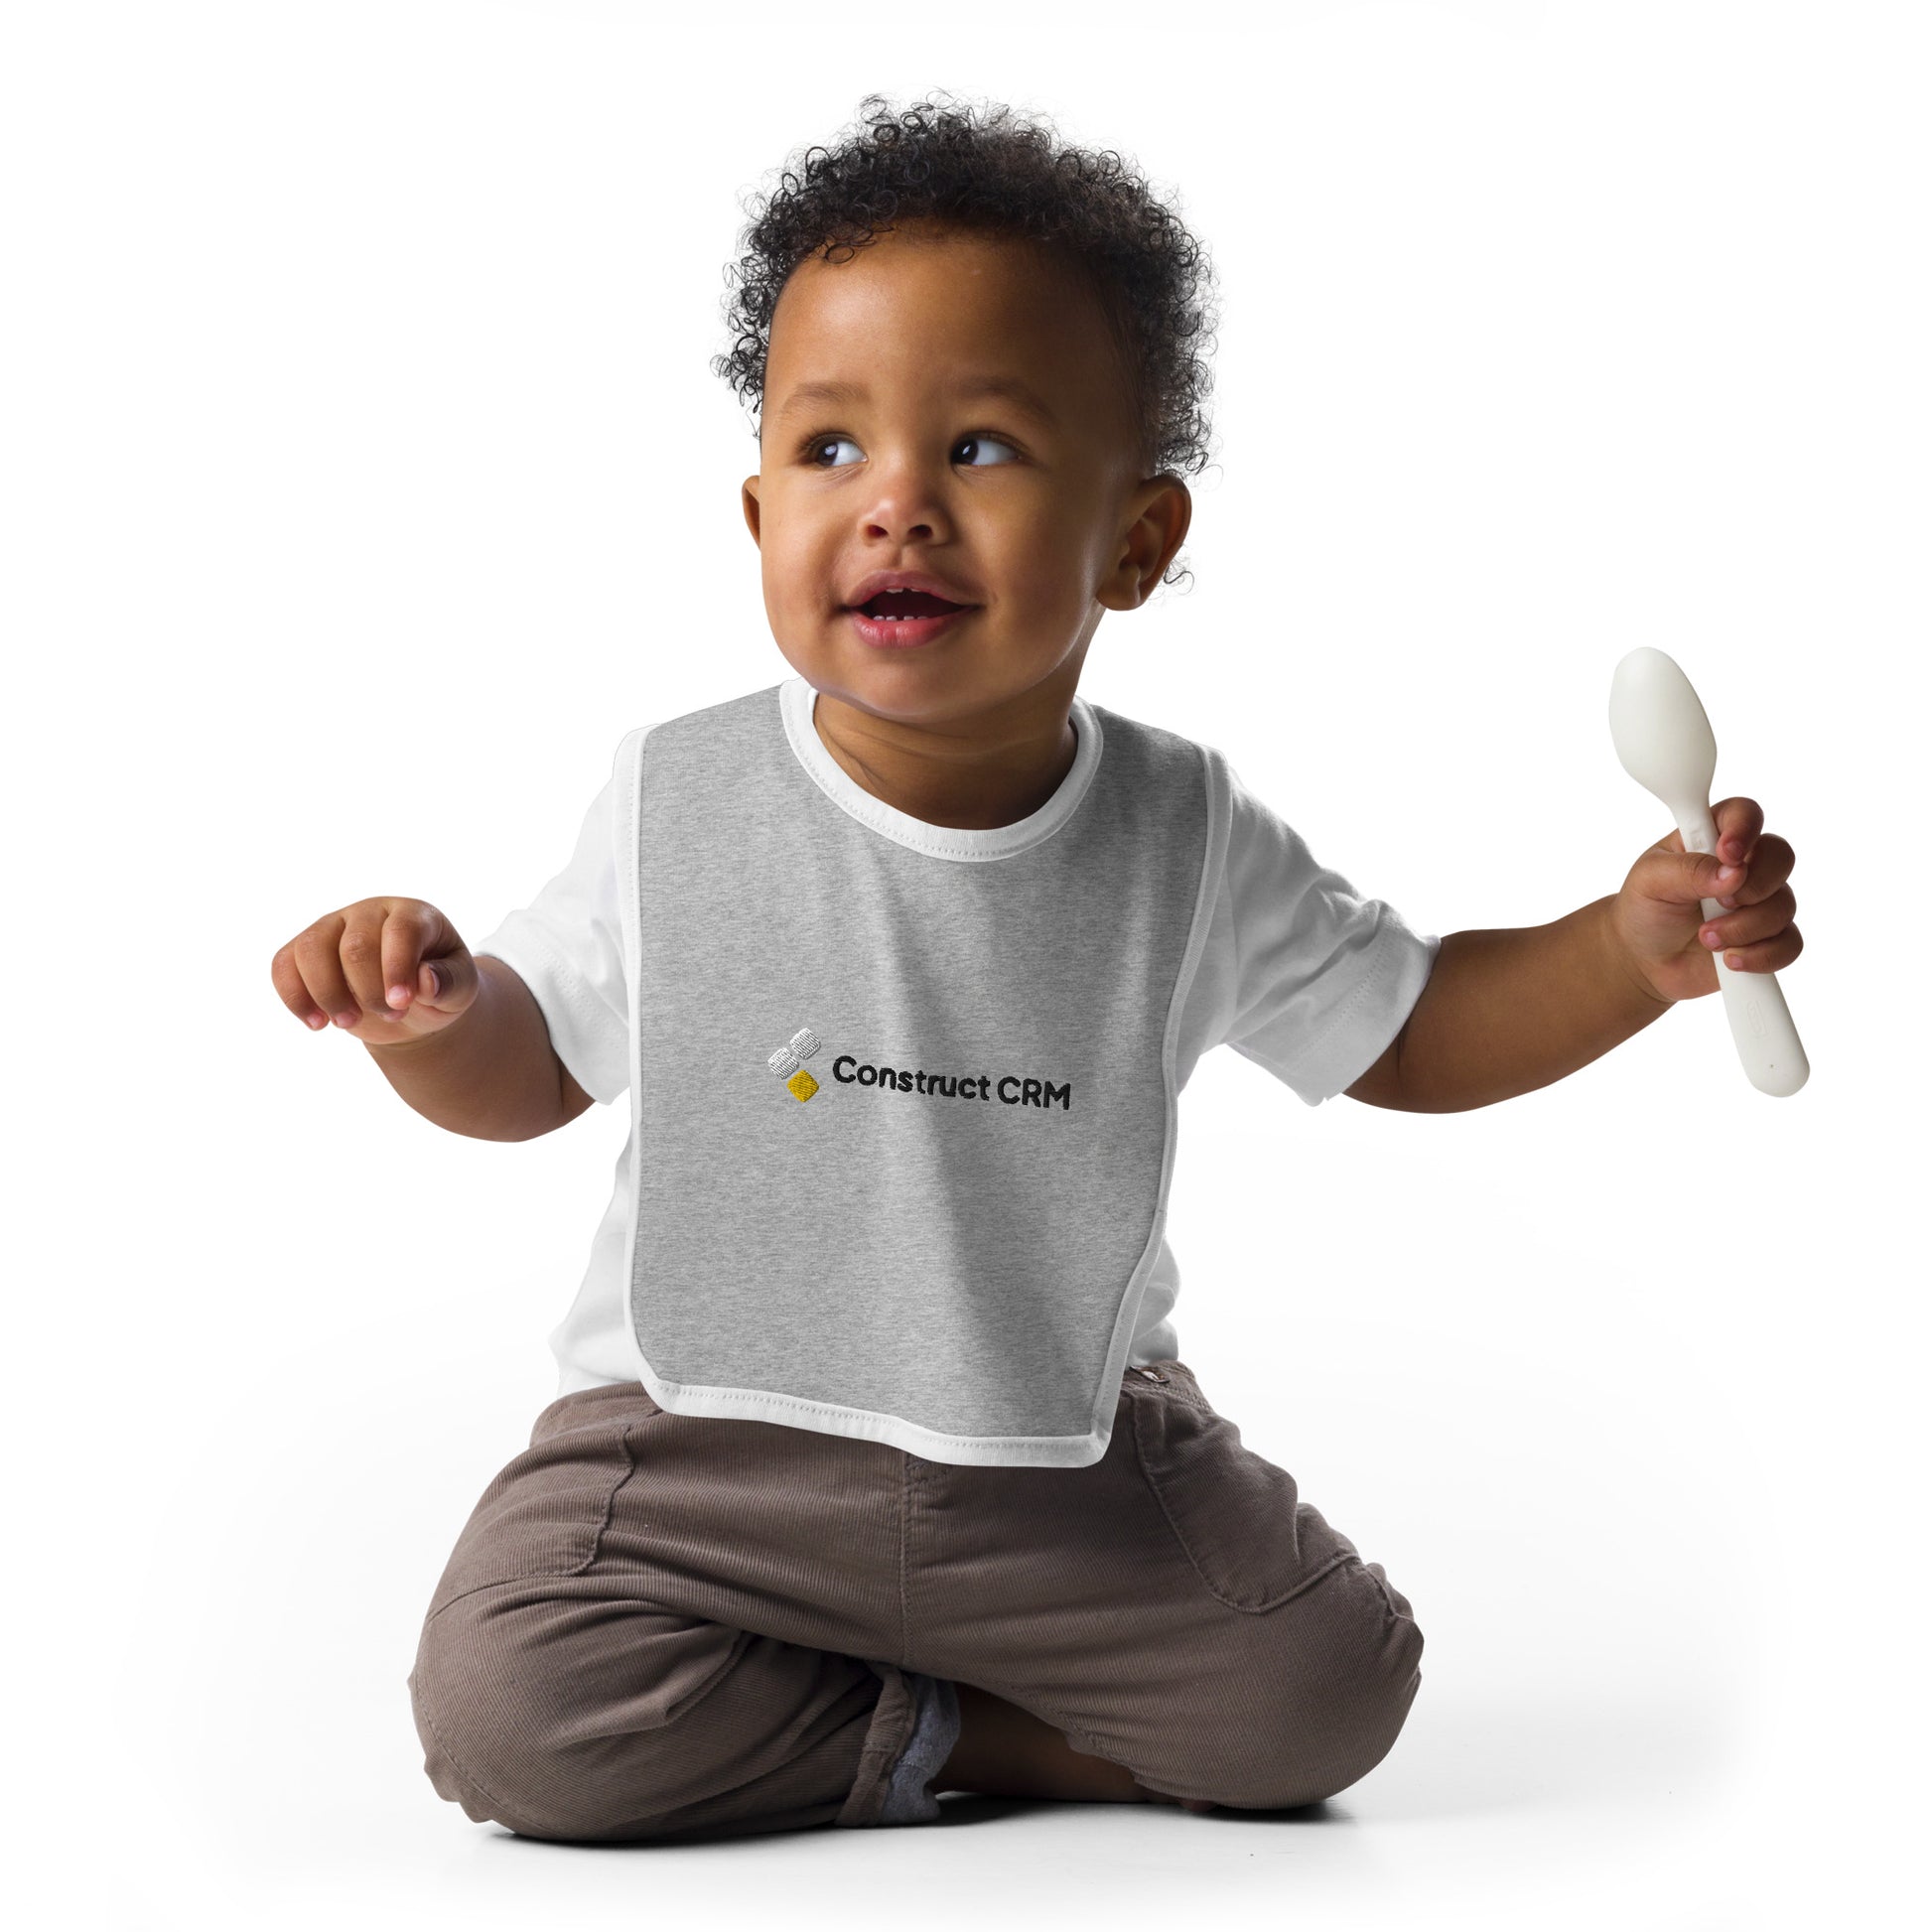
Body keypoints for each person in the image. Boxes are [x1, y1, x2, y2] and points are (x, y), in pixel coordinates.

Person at [269, 92, 1802, 1844]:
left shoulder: (1185, 834)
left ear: (1134, 543)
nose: (896, 506)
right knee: (511, 1712)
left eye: (982, 446)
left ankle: (880, 1716)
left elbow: (1413, 1029)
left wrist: (1624, 949)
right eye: (829, 449)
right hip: (702, 1450)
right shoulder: (674, 795)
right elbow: (530, 1067)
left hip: (1061, 1454)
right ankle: (975, 1738)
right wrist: (431, 1014)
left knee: (1323, 1691)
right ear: (757, 512)